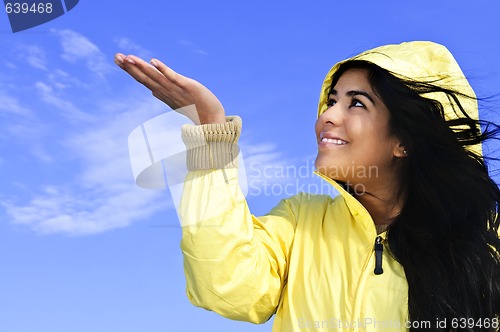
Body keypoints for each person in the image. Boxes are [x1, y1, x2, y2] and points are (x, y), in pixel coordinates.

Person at [115, 41, 500, 331]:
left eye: (357, 104)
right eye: (331, 101)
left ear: (404, 141)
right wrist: (210, 135)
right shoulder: (301, 221)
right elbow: (228, 289)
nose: (327, 116)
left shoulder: (486, 242)